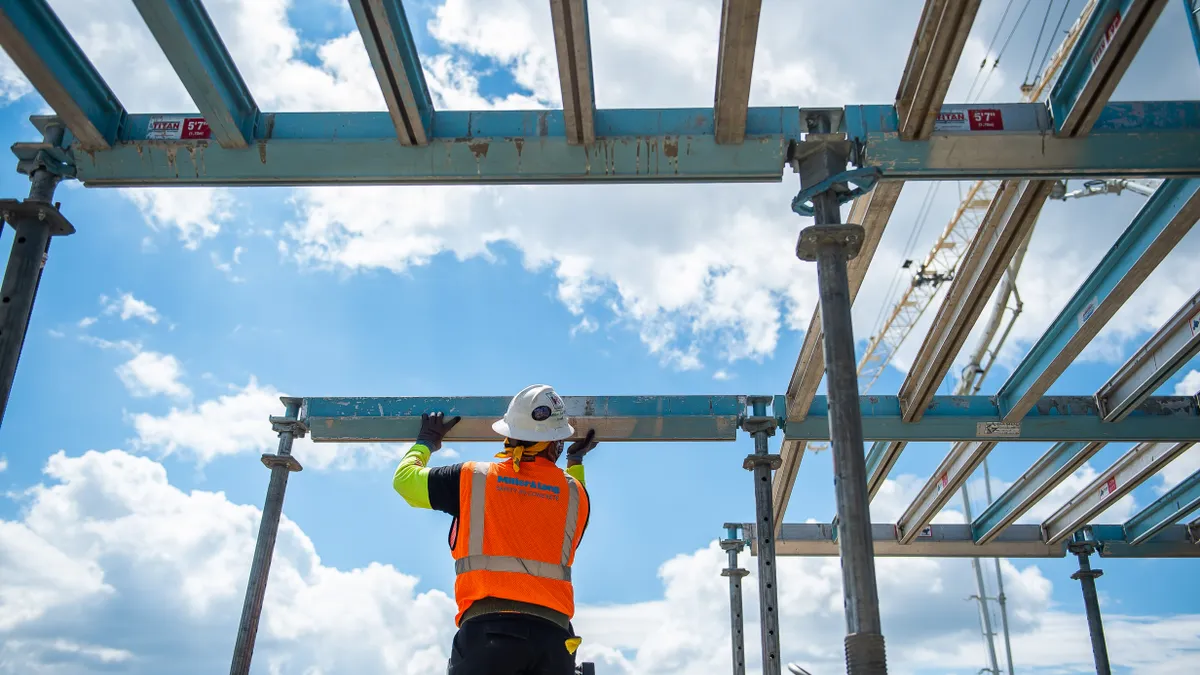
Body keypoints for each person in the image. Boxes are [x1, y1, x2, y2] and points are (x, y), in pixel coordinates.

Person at [392, 384, 600, 675]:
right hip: (553, 643)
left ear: (507, 436)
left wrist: (426, 442)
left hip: (489, 637)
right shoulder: (575, 494)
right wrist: (574, 463)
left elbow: (405, 481)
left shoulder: (472, 478)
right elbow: (575, 520)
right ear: (557, 443)